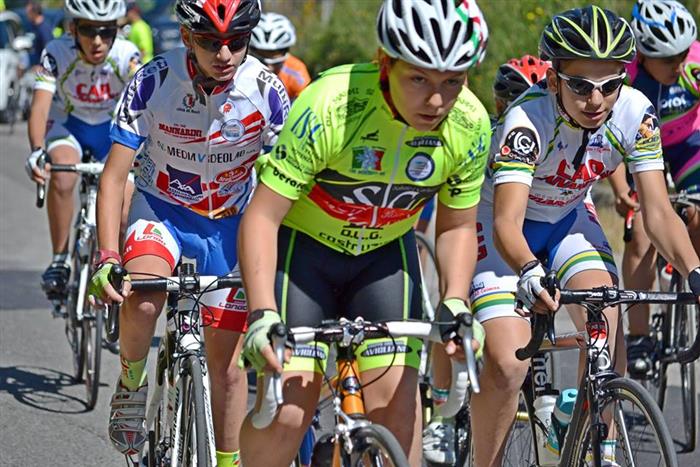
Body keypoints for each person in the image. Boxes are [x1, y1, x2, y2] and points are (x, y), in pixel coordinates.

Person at [237, 0, 490, 465]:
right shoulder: (331, 104)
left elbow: (456, 225)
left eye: (452, 81)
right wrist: (262, 312)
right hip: (304, 257)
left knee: (398, 412)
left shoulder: (470, 123)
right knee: (289, 413)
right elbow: (263, 216)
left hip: (383, 260)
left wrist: (455, 299)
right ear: (385, 63)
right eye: (419, 79)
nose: (437, 101)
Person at [468, 6, 700, 466]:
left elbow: (657, 212)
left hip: (568, 217)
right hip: (503, 227)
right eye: (580, 85)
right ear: (554, 79)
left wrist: (694, 270)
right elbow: (507, 224)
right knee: (509, 363)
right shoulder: (526, 120)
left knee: (605, 316)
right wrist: (529, 271)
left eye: (610, 85)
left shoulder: (635, 112)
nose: (596, 99)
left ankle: (599, 449)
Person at [88, 0, 289, 465]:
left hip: (231, 223)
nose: (225, 54)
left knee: (229, 370)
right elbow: (114, 177)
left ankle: (227, 460)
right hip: (162, 210)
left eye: (237, 42)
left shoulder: (267, 91)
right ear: (186, 38)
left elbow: (286, 183)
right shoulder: (153, 81)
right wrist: (107, 255)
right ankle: (132, 383)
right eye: (210, 42)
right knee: (143, 298)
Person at [422, 53, 551, 465]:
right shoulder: (489, 135)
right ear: (500, 104)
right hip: (481, 221)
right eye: (515, 101)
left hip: (532, 228)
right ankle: (441, 411)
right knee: (454, 300)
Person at [605, 0, 699, 378]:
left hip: (687, 146)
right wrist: (618, 189)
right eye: (668, 59)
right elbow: (607, 138)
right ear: (642, 56)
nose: (678, 65)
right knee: (640, 231)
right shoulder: (624, 75)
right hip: (636, 150)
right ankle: (640, 334)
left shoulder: (693, 62)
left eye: (682, 55)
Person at [25, 0, 140, 303]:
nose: (97, 41)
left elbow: (145, 107)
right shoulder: (55, 52)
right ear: (73, 28)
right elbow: (39, 107)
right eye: (89, 30)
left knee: (126, 202)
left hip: (110, 130)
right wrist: (36, 150)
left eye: (106, 31)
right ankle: (60, 258)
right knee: (62, 174)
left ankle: (115, 266)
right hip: (69, 126)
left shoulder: (127, 54)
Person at [250, 11, 310, 101]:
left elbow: (307, 101)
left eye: (275, 61)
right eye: (262, 60)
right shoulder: (239, 68)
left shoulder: (296, 70)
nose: (269, 68)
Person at [26, 1, 55, 66]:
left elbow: (49, 50)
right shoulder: (35, 27)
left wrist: (42, 65)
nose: (27, 15)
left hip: (45, 67)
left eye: (28, 13)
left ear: (34, 13)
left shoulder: (44, 29)